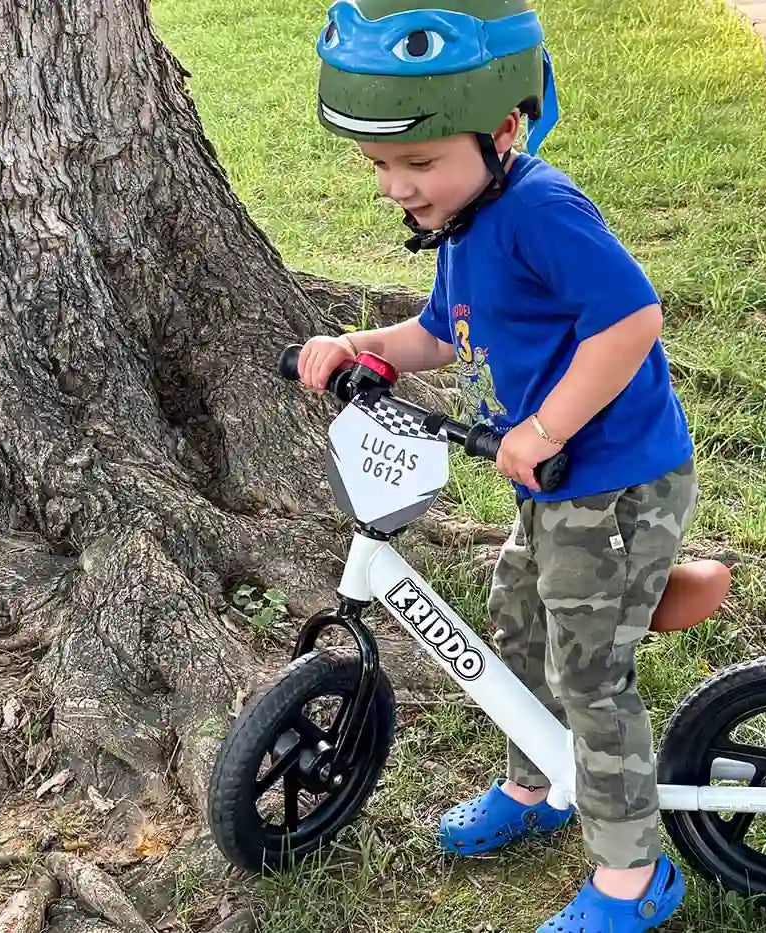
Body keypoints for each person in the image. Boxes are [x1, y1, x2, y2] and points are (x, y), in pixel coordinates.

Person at [294, 2, 699, 930]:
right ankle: (537, 783)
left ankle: (633, 880)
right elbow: (442, 332)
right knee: (513, 626)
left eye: (420, 160)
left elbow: (631, 320)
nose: (399, 185)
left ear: (504, 127)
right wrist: (363, 345)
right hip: (553, 489)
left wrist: (548, 426)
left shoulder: (542, 212)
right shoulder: (467, 217)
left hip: (615, 482)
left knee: (590, 676)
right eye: (382, 166)